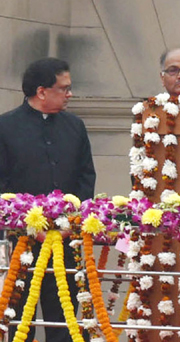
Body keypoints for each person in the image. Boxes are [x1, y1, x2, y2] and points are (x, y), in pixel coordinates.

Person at [0, 57, 96, 342]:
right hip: (20, 241)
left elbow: (85, 176)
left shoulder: (74, 126)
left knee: (63, 318)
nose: (70, 94)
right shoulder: (4, 127)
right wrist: (24, 221)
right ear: (42, 91)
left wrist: (71, 218)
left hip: (65, 239)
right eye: (64, 88)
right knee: (16, 318)